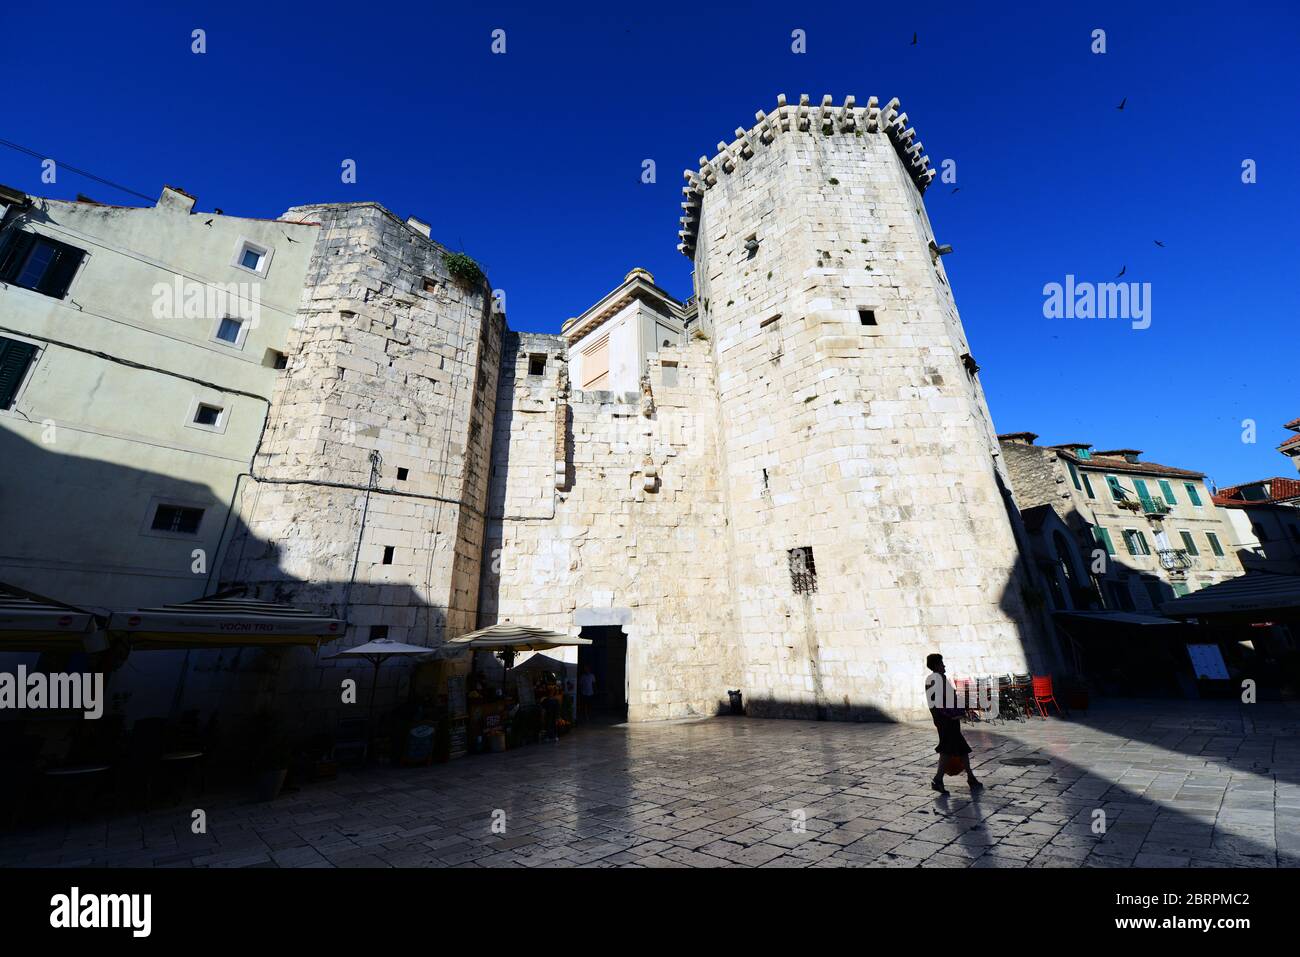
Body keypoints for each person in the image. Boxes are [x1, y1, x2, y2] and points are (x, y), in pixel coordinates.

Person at [925, 653, 982, 795]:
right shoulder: (935, 680)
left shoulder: (938, 679)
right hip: (946, 721)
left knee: (962, 749)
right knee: (947, 750)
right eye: (941, 663)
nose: (944, 666)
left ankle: (971, 777)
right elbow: (941, 702)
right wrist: (955, 713)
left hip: (949, 719)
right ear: (936, 665)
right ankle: (937, 780)